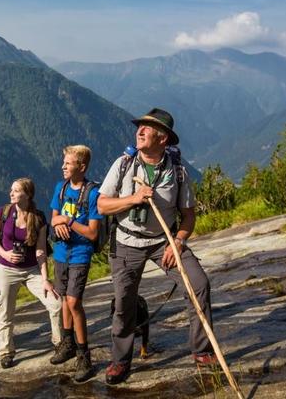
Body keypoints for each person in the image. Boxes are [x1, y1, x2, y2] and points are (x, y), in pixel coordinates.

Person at [97, 108, 215, 385]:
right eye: (140, 126)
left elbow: (188, 214)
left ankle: (202, 350)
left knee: (199, 284)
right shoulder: (124, 164)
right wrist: (134, 199)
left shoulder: (177, 171)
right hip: (126, 242)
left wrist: (178, 241)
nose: (139, 131)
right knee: (124, 302)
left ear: (163, 139)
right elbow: (102, 205)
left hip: (164, 241)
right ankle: (121, 359)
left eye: (147, 128)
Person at [0, 177, 61, 369]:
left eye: (16, 190)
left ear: (27, 195)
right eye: (11, 190)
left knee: (56, 304)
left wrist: (46, 279)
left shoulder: (38, 218)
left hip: (31, 270)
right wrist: (5, 254)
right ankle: (5, 352)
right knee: (5, 312)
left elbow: (41, 250)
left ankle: (59, 343)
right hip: (6, 269)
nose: (11, 193)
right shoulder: (3, 212)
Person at [48, 145, 102, 382]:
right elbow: (53, 219)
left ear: (81, 166)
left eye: (67, 164)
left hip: (80, 253)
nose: (63, 167)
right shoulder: (60, 188)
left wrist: (67, 221)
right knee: (63, 300)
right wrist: (58, 223)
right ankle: (67, 342)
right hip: (61, 253)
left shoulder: (92, 194)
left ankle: (84, 354)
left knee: (74, 301)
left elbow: (92, 233)